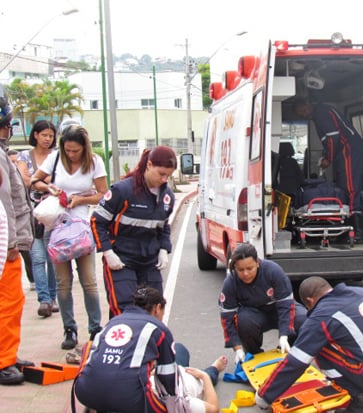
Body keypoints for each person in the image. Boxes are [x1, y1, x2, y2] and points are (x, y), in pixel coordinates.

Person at [255, 277, 363, 413]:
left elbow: (296, 362)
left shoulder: (322, 315)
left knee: (319, 347)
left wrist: (265, 396)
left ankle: (359, 401)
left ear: (309, 300)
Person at [74, 286, 227, 413]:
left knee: (180, 353)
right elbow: (169, 383)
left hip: (86, 391)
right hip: (139, 393)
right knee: (181, 355)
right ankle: (212, 370)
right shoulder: (158, 329)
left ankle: (211, 370)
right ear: (158, 308)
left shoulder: (113, 323)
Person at [30, 124, 108, 350]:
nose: (71, 154)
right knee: (63, 284)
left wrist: (80, 200)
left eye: (75, 150)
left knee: (89, 281)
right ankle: (69, 329)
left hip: (82, 228)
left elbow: (103, 194)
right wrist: (51, 188)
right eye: (68, 150)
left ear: (84, 147)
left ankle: (95, 328)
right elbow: (34, 181)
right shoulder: (55, 159)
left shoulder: (95, 162)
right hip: (57, 228)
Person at [91, 146, 176, 318]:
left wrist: (163, 249)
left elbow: (163, 225)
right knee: (124, 308)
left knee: (154, 308)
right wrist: (107, 252)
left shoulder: (167, 197)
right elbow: (97, 221)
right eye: (161, 174)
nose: (164, 179)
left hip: (149, 260)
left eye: (168, 175)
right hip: (122, 259)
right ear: (149, 165)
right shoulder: (122, 191)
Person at [218, 243, 307, 364]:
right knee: (244, 321)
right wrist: (237, 348)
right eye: (241, 270)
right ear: (235, 268)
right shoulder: (230, 282)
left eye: (250, 268)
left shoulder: (273, 271)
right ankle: (253, 353)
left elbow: (286, 305)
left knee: (303, 319)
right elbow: (227, 319)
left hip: (277, 309)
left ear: (257, 263)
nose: (246, 274)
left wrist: (284, 334)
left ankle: (290, 348)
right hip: (254, 314)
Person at [293, 97, 363, 241]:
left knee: (351, 187)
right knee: (344, 186)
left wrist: (329, 158)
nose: (304, 114)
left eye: (303, 110)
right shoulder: (319, 113)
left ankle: (358, 230)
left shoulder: (321, 112)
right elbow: (329, 140)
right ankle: (348, 226)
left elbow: (333, 138)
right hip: (344, 151)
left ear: (308, 103)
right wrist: (327, 155)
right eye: (301, 114)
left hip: (349, 149)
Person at [0, 85, 35, 385]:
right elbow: (4, 205)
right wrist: (11, 243)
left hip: (7, 244)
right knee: (9, 301)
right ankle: (3, 360)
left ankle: (8, 353)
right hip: (5, 247)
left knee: (13, 301)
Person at [16, 120, 58, 317]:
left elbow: (59, 180)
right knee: (38, 258)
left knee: (53, 258)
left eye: (50, 136)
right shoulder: (25, 155)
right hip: (31, 212)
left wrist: (37, 180)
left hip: (54, 213)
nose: (47, 139)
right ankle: (44, 300)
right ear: (35, 135)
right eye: (44, 135)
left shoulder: (57, 156)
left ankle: (53, 296)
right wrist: (46, 182)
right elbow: (24, 180)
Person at [6, 148, 36, 291]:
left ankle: (34, 280)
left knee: (29, 256)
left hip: (22, 225)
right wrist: (12, 241)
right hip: (12, 232)